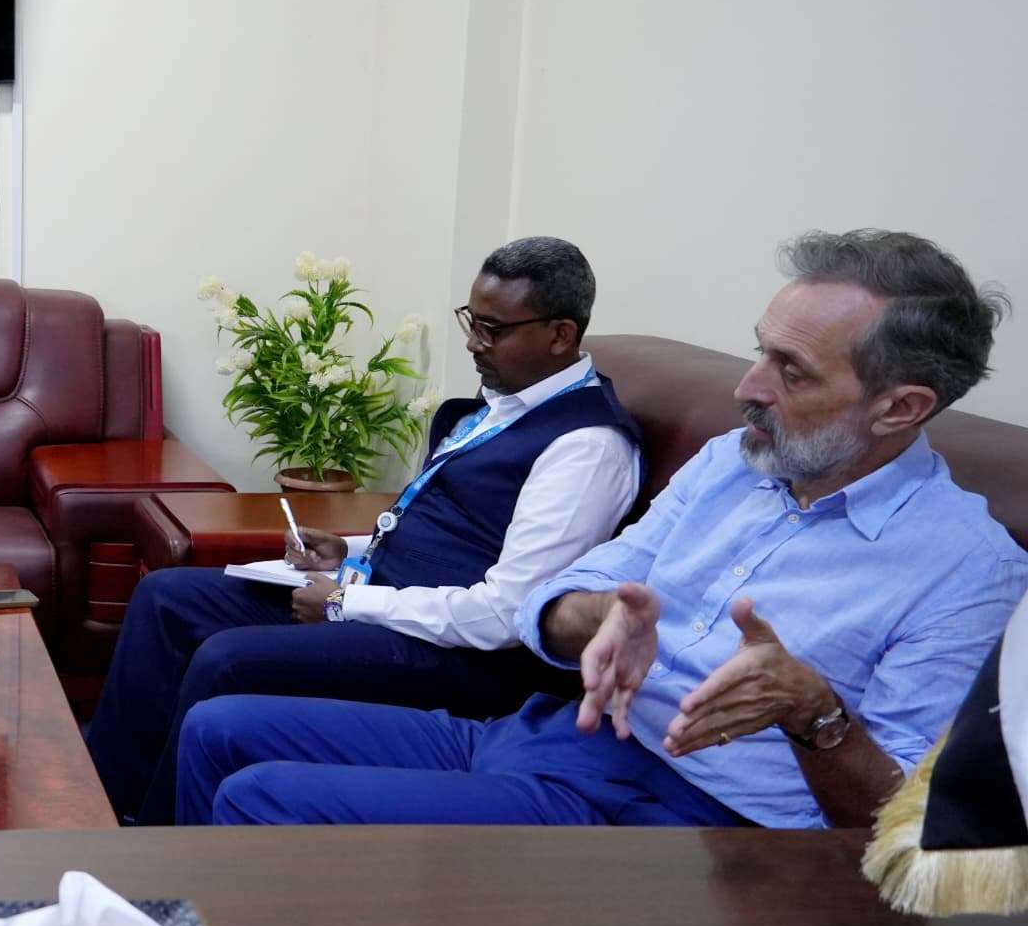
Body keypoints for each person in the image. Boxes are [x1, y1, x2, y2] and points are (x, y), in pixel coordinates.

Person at [177, 230, 1028, 831]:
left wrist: (815, 713)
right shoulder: (735, 464)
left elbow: (901, 824)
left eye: (791, 371)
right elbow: (554, 601)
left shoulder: (968, 570)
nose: (750, 388)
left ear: (901, 407)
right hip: (555, 733)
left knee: (262, 795)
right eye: (760, 352)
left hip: (678, 811)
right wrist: (599, 617)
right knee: (219, 729)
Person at [84, 238, 643, 824]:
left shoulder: (587, 449)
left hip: (461, 656)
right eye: (471, 321)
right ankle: (104, 806)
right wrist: (346, 548)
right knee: (166, 598)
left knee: (226, 659)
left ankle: (158, 839)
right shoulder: (507, 403)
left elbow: (509, 615)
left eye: (492, 330)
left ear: (559, 335)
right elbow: (454, 527)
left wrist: (344, 604)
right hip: (385, 598)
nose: (473, 343)